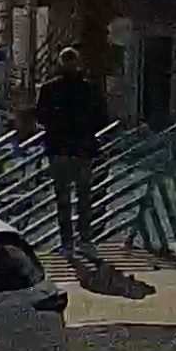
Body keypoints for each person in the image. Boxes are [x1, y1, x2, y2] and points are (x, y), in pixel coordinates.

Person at [34, 47, 108, 251]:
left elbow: (40, 117)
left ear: (59, 63)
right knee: (84, 197)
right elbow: (102, 117)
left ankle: (67, 241)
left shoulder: (49, 89)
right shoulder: (89, 89)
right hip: (83, 149)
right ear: (78, 63)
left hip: (58, 148)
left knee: (63, 198)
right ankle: (85, 238)